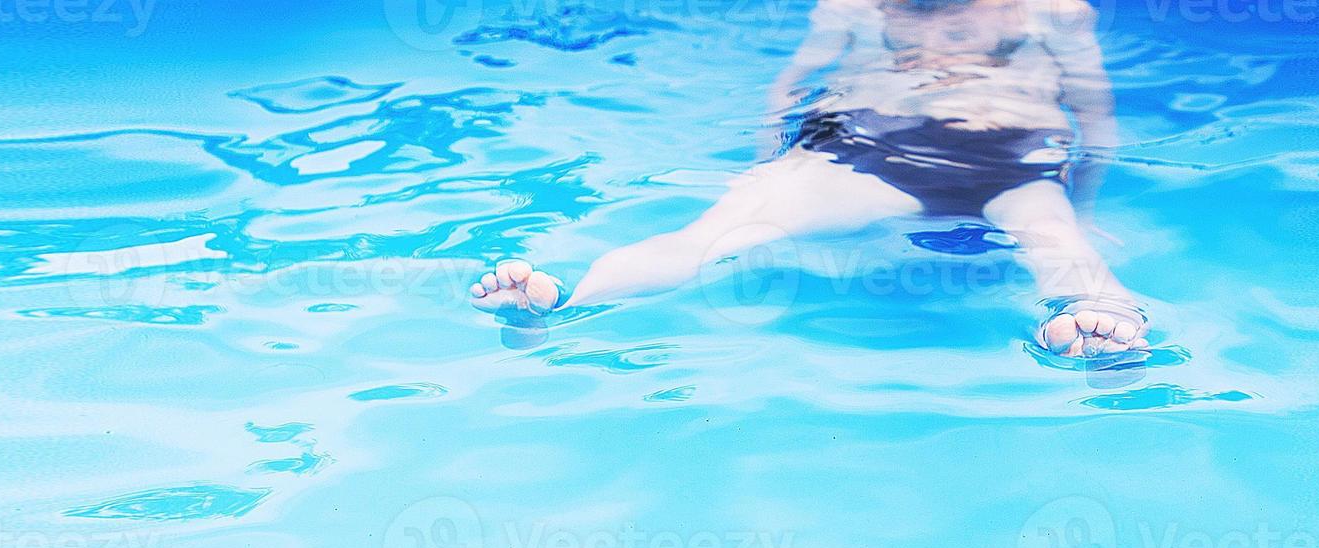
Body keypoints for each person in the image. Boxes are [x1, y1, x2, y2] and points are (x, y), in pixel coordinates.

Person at [469, 0, 1148, 358]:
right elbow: (790, 87)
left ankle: (1097, 331)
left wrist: (1084, 209)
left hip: (1011, 163)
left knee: (1068, 251)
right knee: (714, 235)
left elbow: (1096, 118)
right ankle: (560, 301)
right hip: (873, 152)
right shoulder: (859, 3)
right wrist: (769, 171)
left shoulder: (1054, 9)